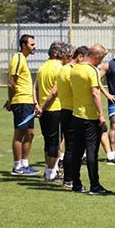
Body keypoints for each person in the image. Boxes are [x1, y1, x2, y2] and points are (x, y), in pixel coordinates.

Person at [70, 44, 110, 195]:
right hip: (90, 117)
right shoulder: (92, 70)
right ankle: (95, 185)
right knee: (92, 152)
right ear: (97, 57)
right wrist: (100, 114)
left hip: (76, 115)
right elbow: (95, 93)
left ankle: (76, 183)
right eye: (101, 59)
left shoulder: (75, 68)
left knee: (76, 152)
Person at [5, 34, 41, 176]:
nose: (34, 47)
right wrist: (11, 101)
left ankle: (25, 164)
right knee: (20, 133)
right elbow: (11, 83)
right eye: (32, 44)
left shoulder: (23, 60)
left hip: (28, 102)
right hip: (21, 101)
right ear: (24, 45)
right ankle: (17, 166)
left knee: (30, 133)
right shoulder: (18, 58)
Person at [35, 41, 67, 182]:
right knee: (55, 142)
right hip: (55, 108)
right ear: (57, 53)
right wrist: (44, 107)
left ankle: (49, 172)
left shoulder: (43, 67)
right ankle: (51, 173)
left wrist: (37, 105)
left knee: (48, 141)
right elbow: (54, 92)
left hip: (43, 109)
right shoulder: (60, 68)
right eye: (64, 53)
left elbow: (35, 87)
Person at [57, 45, 88, 190]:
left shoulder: (63, 68)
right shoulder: (71, 71)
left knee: (70, 146)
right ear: (80, 56)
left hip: (64, 109)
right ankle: (69, 180)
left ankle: (68, 179)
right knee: (72, 148)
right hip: (72, 111)